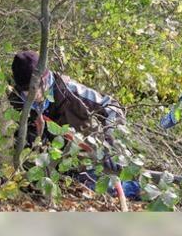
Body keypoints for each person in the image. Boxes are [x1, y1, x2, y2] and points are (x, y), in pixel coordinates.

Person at [10, 50, 139, 199]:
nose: (33, 94)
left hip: (93, 155)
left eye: (36, 87)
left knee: (116, 184)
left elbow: (112, 107)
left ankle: (139, 189)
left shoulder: (70, 91)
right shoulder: (14, 107)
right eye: (26, 90)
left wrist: (111, 141)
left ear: (45, 79)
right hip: (59, 171)